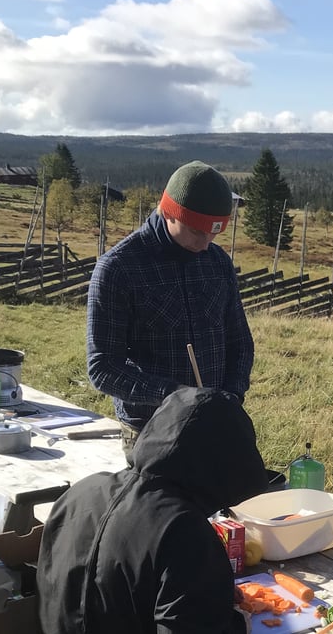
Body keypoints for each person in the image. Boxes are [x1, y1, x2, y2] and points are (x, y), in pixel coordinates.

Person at [37, 387, 269, 634]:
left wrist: (211, 593)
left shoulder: (82, 491)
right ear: (227, 463)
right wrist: (233, 622)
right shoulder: (183, 530)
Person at [86, 160, 253, 457]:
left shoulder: (216, 263)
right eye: (196, 231)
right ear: (169, 212)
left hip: (212, 425)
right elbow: (103, 368)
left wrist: (231, 395)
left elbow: (239, 342)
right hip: (149, 431)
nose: (204, 244)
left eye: (214, 233)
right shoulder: (118, 269)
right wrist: (175, 396)